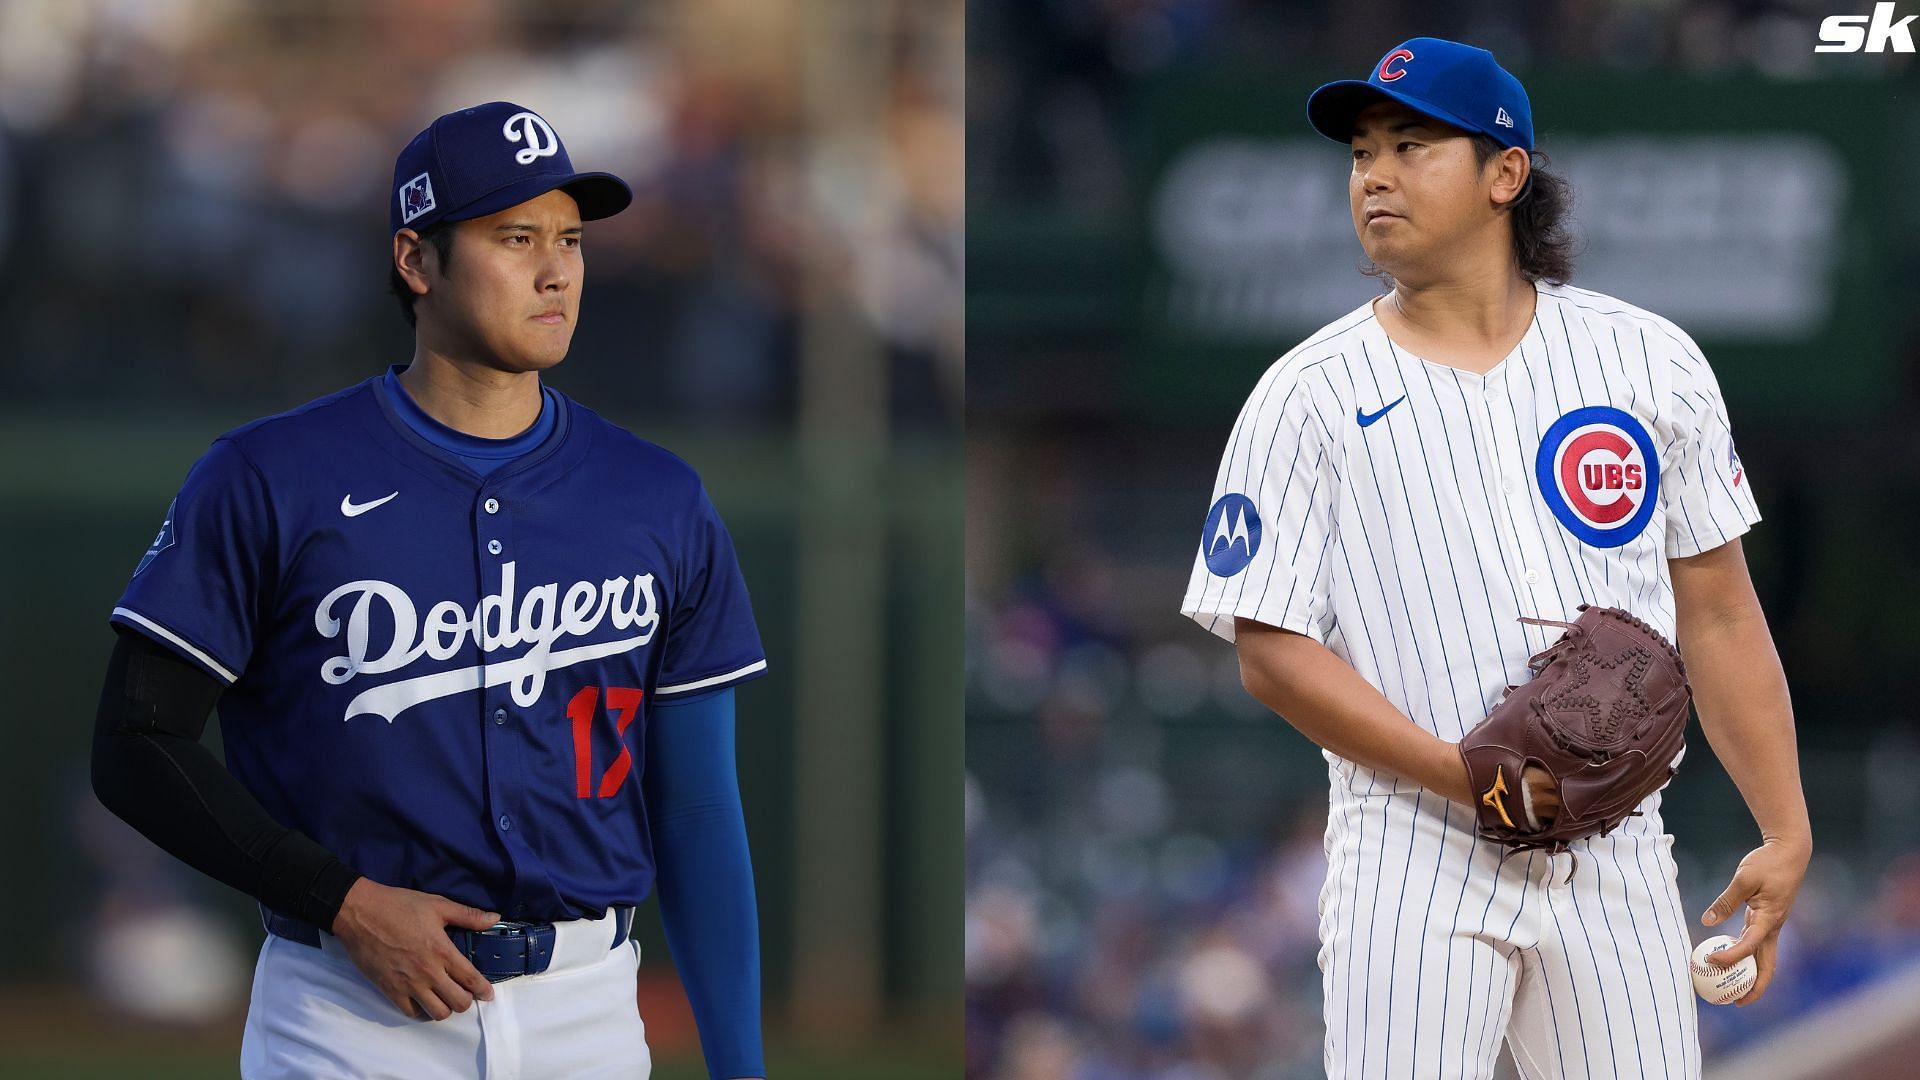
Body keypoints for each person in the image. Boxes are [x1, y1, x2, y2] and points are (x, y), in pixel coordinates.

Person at [91, 101, 768, 1079]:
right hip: (346, 1015)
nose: (556, 270)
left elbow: (698, 812)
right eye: (514, 237)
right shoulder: (271, 475)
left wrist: (740, 1068)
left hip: (589, 1013)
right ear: (417, 260)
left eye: (571, 239)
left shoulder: (659, 498)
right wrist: (343, 901)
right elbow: (135, 744)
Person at [1180, 39, 1810, 1078]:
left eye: (1412, 144)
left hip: (1613, 852)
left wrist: (1783, 828)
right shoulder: (1306, 393)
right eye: (1360, 154)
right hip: (1410, 850)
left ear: (1504, 176)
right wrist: (1464, 777)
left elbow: (1722, 615)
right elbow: (1270, 650)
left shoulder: (1647, 362)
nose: (1373, 174)